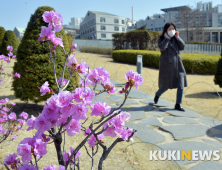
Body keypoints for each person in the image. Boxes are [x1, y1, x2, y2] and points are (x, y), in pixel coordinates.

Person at [154, 22, 187, 111]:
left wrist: (178, 37)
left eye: (173, 29)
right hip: (167, 66)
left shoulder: (176, 39)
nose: (172, 31)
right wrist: (167, 38)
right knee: (165, 86)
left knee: (181, 85)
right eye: (170, 29)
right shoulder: (161, 39)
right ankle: (157, 95)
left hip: (178, 65)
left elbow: (182, 47)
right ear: (166, 30)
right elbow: (162, 48)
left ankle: (178, 104)